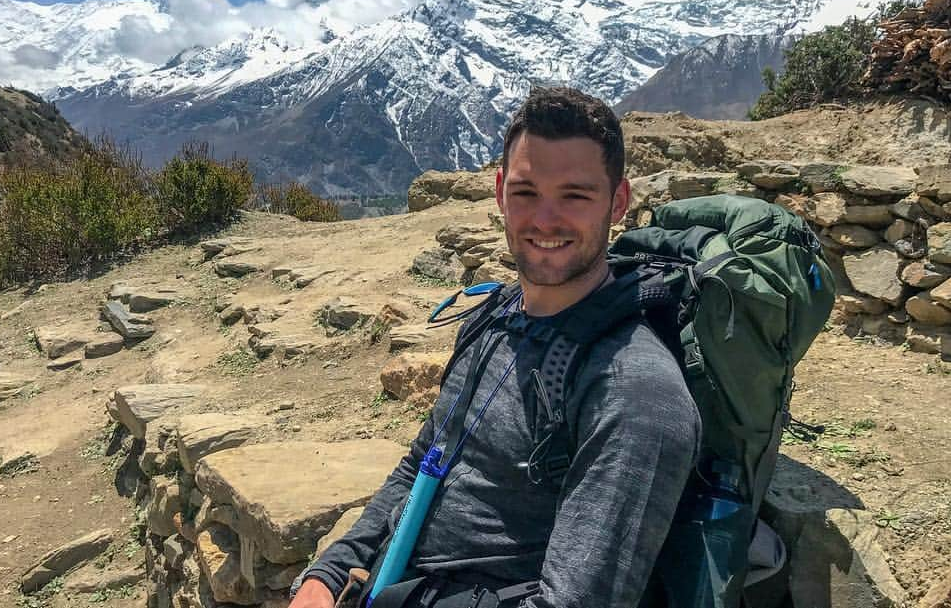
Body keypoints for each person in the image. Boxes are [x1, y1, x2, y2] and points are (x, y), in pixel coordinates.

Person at [290, 86, 701, 608]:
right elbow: (423, 463)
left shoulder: (633, 393)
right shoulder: (495, 317)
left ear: (618, 202)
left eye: (574, 195)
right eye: (527, 192)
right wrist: (324, 577)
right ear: (501, 191)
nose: (545, 220)